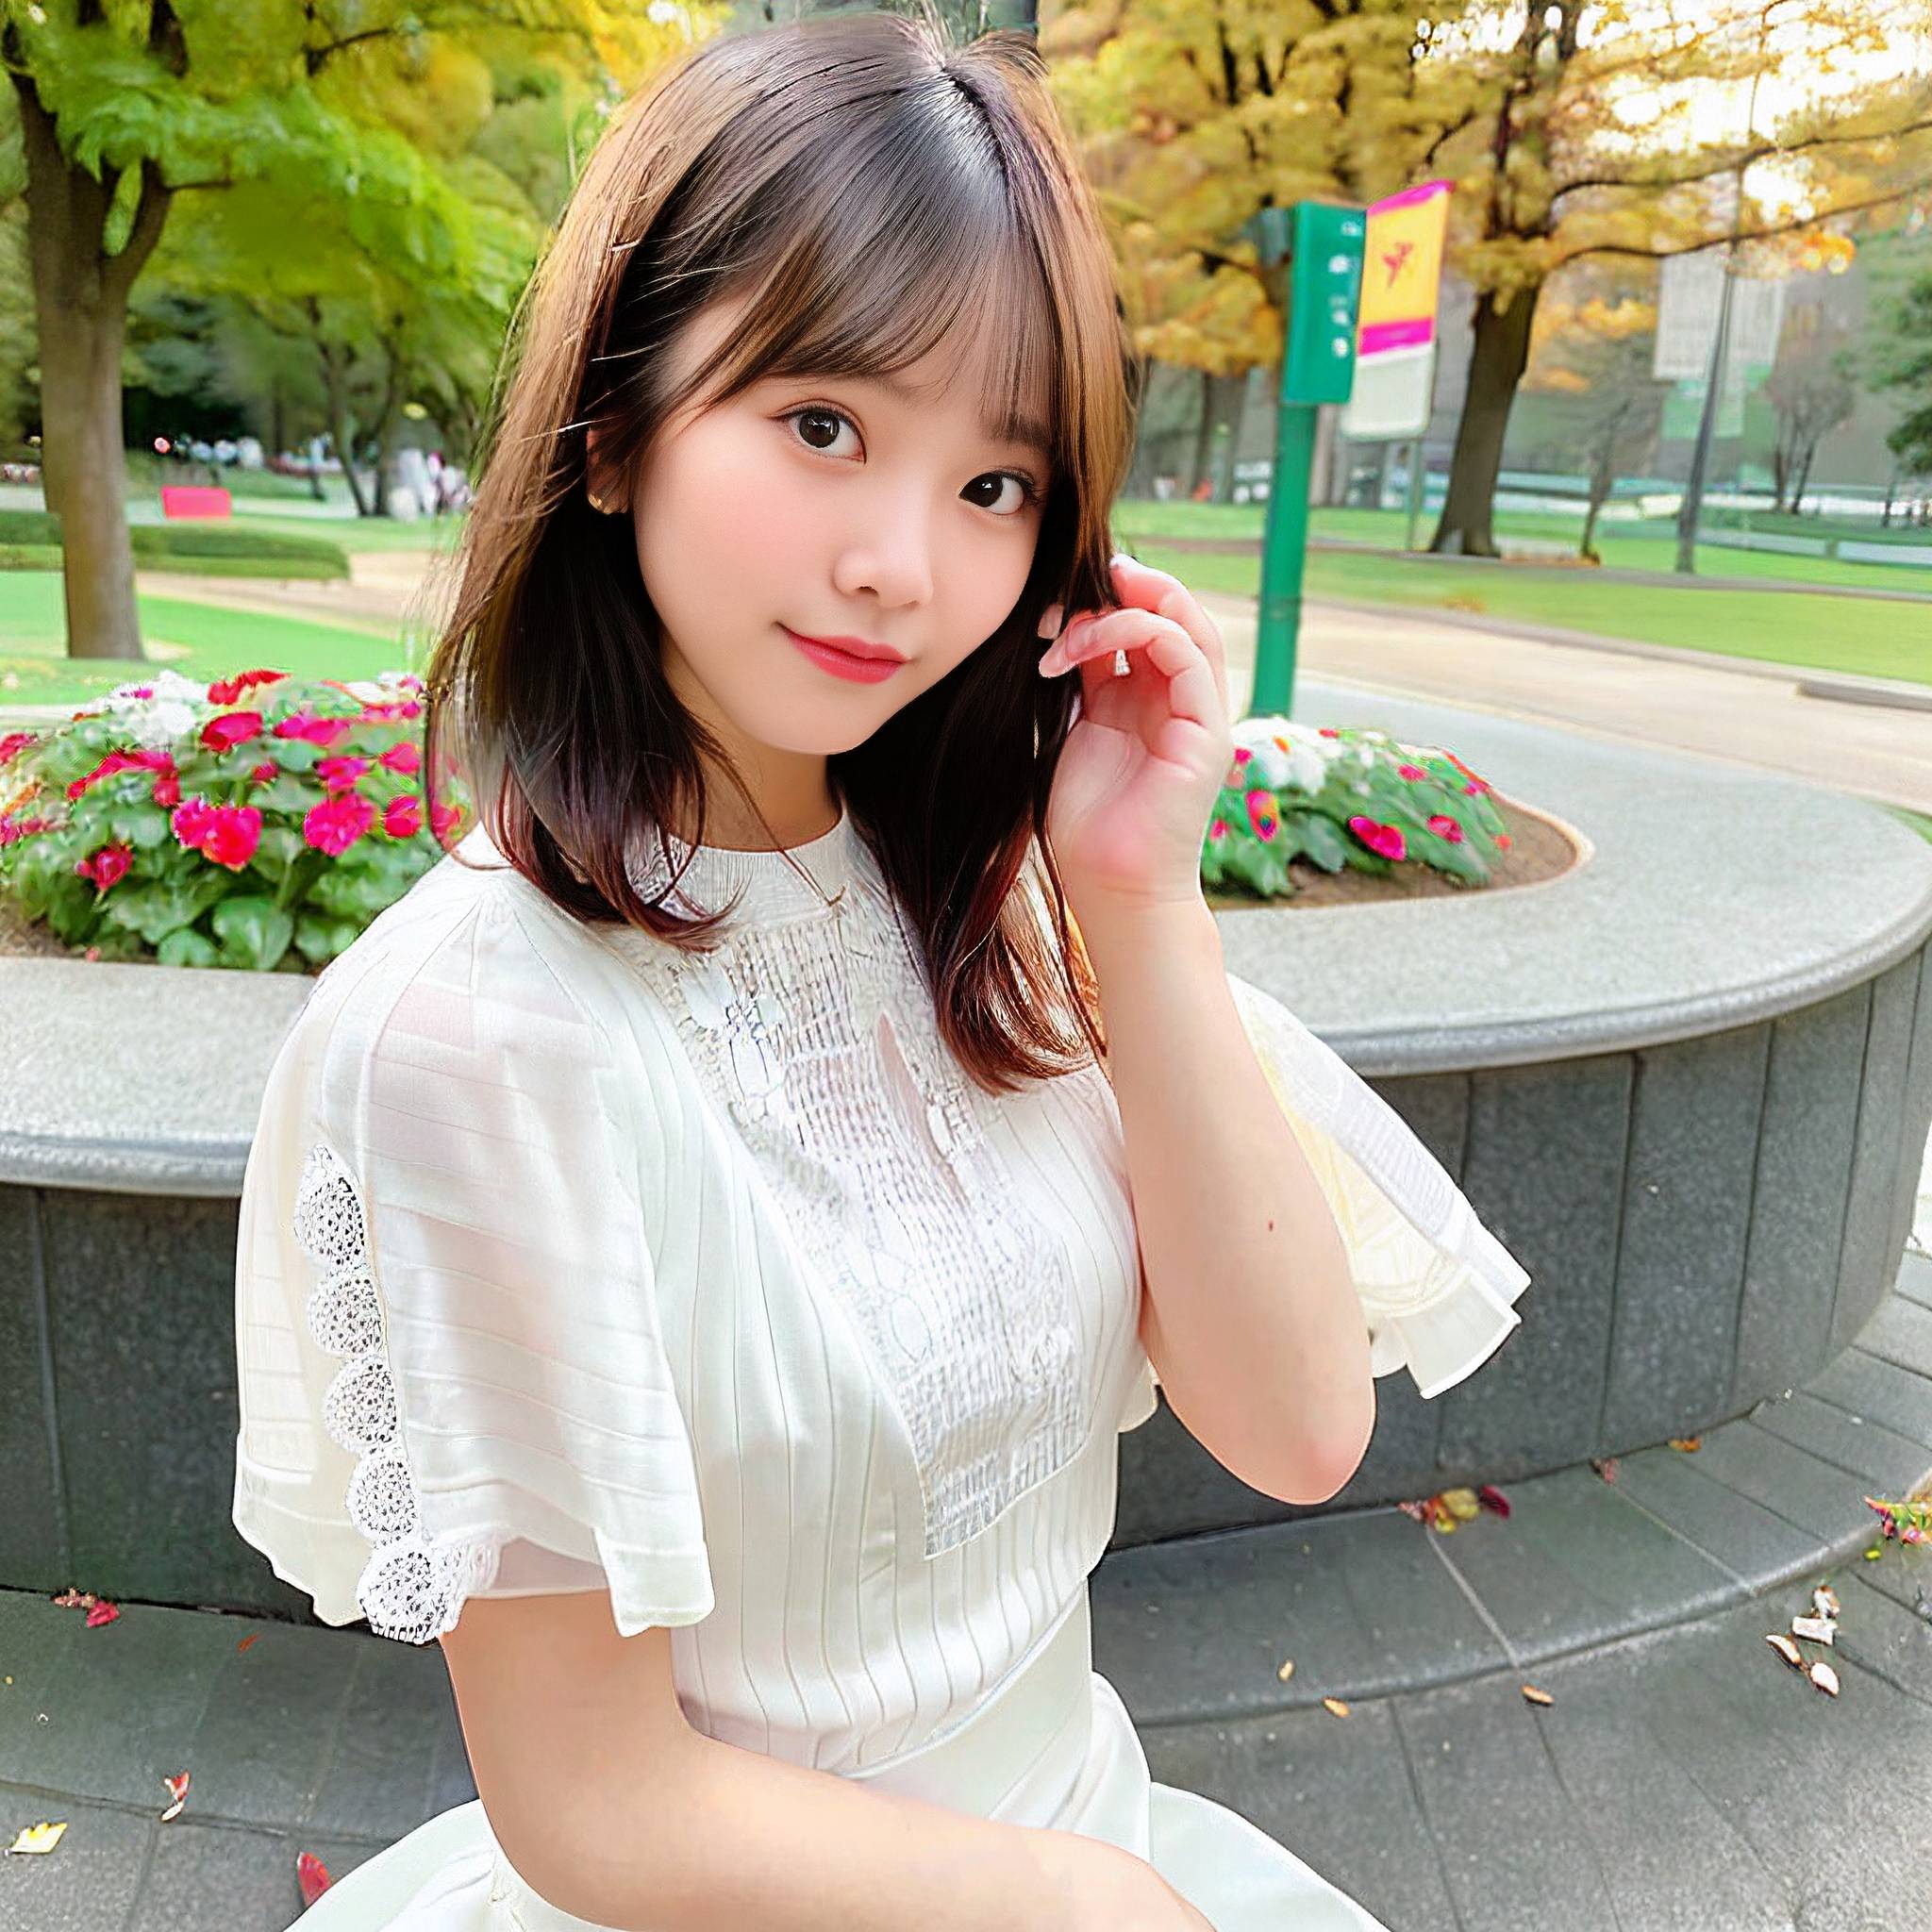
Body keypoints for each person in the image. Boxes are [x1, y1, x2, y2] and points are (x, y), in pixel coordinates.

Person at [230, 13, 1530, 1929]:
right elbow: (593, 1800)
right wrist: (1073, 1906)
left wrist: (1135, 899)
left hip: (1090, 1827)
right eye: (823, 426)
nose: (901, 568)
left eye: (995, 482)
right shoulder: (468, 1036)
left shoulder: (988, 902)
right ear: (615, 430)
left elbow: (1296, 1423)